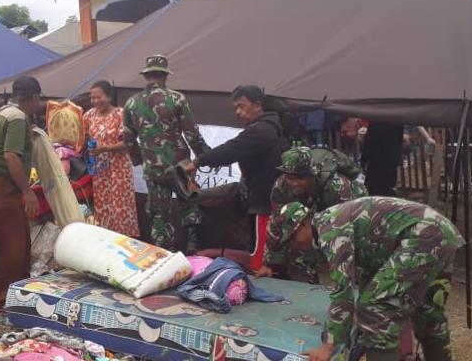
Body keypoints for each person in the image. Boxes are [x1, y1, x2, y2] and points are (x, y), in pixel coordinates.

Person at [281, 196, 464, 361]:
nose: (296, 246)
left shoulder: (330, 231)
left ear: (303, 224)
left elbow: (343, 291)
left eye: (294, 238)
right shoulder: (333, 221)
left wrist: (328, 346)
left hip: (422, 235)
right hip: (440, 232)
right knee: (428, 311)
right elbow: (371, 269)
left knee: (374, 308)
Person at [184, 85, 287, 259]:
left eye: (242, 106)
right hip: (264, 196)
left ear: (257, 105)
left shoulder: (262, 130)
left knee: (260, 253)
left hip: (264, 200)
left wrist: (198, 162)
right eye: (235, 108)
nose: (238, 112)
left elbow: (231, 149)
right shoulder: (270, 127)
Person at [123, 55, 209, 252]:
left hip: (153, 168)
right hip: (181, 166)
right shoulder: (177, 98)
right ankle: (192, 247)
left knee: (159, 215)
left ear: (146, 75)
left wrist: (139, 160)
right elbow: (191, 133)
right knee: (189, 202)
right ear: (164, 75)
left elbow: (127, 138)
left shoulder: (131, 103)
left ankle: (163, 256)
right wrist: (204, 155)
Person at [0, 76, 42, 314]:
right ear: (34, 97)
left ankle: (8, 292)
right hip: (3, 182)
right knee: (13, 243)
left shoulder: (2, 111)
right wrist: (28, 192)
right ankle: (3, 297)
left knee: (12, 238)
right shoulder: (18, 118)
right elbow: (10, 156)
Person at [256, 146, 367, 282]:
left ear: (313, 175)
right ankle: (302, 273)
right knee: (295, 228)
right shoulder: (281, 187)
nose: (294, 183)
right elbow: (276, 225)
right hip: (314, 219)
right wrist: (268, 264)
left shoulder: (337, 188)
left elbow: (348, 230)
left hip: (352, 221)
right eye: (290, 178)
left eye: (301, 178)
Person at [83, 80, 139, 238]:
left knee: (120, 206)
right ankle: (106, 241)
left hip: (118, 169)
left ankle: (125, 243)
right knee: (103, 206)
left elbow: (128, 143)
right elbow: (86, 139)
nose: (94, 101)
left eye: (98, 97)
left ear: (109, 97)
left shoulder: (120, 114)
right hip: (100, 170)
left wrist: (105, 148)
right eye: (92, 98)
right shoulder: (88, 116)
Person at [361, 123, 404, 196]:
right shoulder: (397, 119)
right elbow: (399, 141)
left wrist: (363, 159)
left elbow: (369, 140)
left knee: (374, 189)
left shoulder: (377, 119)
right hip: (390, 160)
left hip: (377, 161)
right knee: (386, 188)